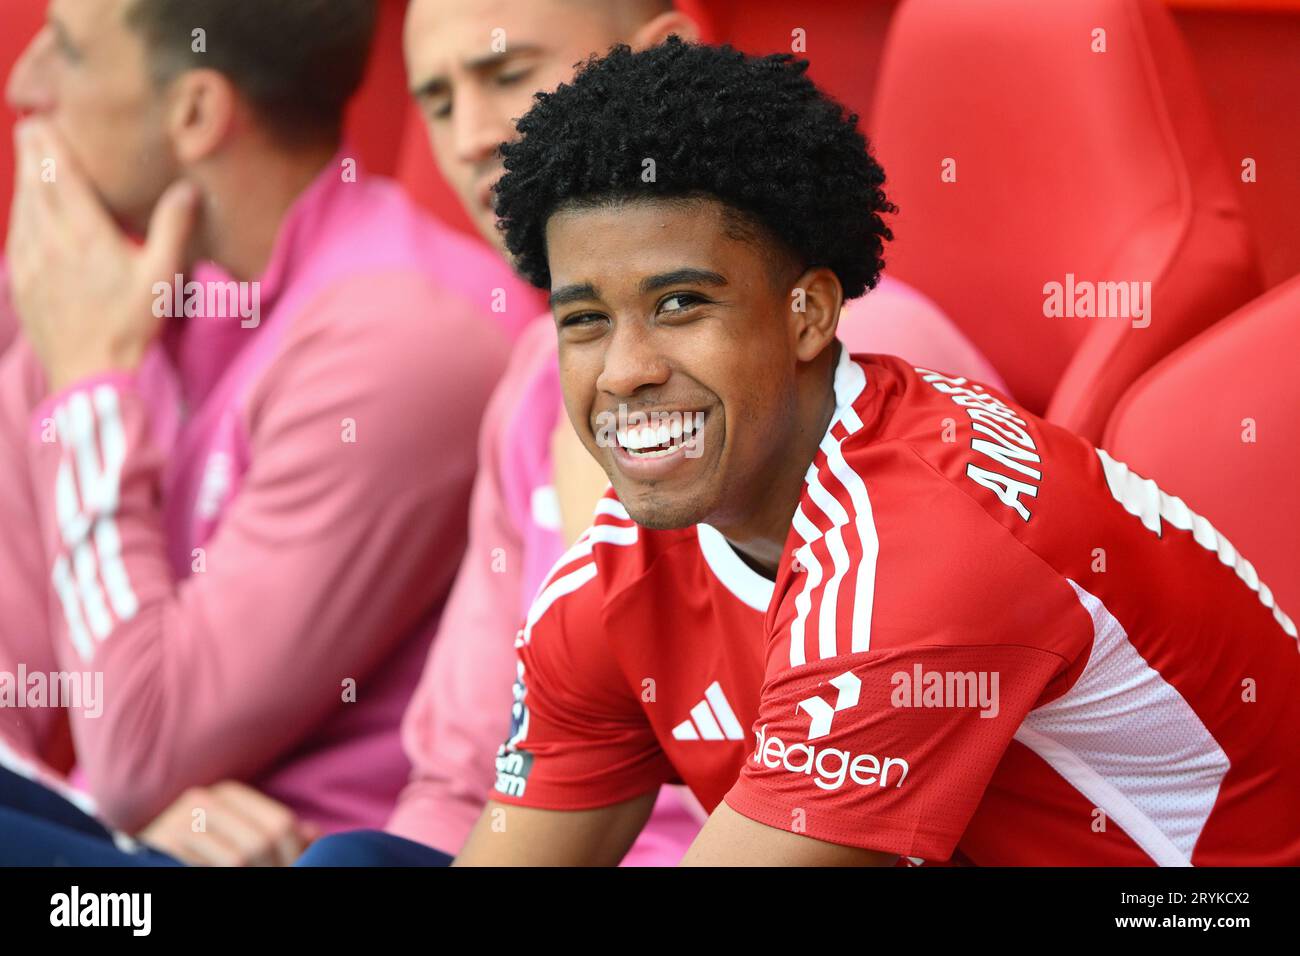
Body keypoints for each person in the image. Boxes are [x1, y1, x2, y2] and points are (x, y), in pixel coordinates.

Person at [449, 38, 1300, 866]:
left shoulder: (921, 548)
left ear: (808, 314)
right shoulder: (614, 579)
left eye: (679, 305)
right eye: (585, 321)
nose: (626, 372)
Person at [294, 0, 1007, 868]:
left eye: (507, 73)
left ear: (810, 314)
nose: (473, 136)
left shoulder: (864, 375)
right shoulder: (534, 380)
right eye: (438, 103)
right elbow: (457, 777)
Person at [0, 0, 529, 865]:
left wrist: (91, 385)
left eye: (64, 50)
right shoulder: (86, 306)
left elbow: (141, 748)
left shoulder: (403, 335)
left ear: (197, 112)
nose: (24, 88)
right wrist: (104, 817)